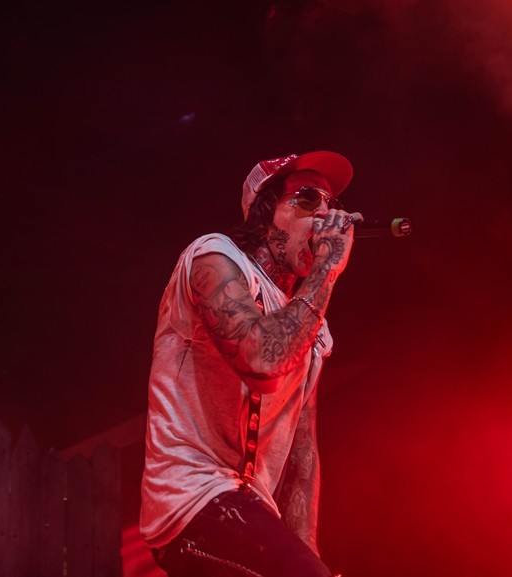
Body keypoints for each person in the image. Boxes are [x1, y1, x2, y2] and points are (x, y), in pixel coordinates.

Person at [140, 151, 360, 577]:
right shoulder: (213, 258)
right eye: (308, 199)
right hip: (191, 498)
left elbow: (302, 454)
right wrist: (327, 270)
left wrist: (309, 555)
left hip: (252, 509)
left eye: (331, 204)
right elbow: (261, 360)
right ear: (263, 214)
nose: (324, 214)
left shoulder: (311, 322)